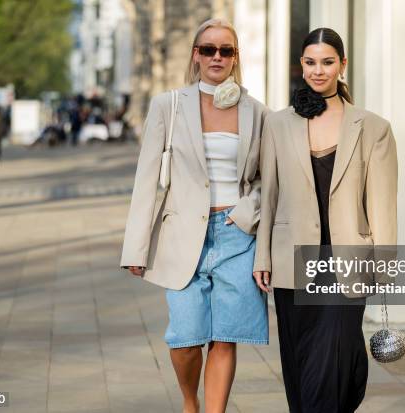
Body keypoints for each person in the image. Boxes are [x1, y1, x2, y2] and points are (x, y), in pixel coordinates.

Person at [120, 19, 269, 413]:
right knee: (185, 338)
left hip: (238, 235)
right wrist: (135, 247)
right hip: (182, 235)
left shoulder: (257, 112)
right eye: (209, 49)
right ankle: (191, 402)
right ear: (196, 55)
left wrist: (245, 213)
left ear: (236, 58)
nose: (217, 57)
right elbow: (147, 178)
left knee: (225, 336)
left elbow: (267, 181)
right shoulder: (168, 105)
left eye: (226, 50)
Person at [253, 28, 398, 412]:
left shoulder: (373, 127)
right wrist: (262, 256)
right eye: (311, 62)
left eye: (328, 62)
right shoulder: (277, 124)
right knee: (301, 359)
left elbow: (382, 202)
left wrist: (384, 261)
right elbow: (268, 195)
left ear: (342, 65)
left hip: (347, 258)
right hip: (293, 258)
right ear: (302, 65)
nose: (319, 71)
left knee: (336, 358)